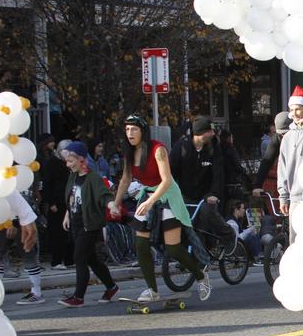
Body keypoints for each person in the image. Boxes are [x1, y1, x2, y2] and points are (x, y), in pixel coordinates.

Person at [113, 114, 212, 302]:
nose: (130, 133)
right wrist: (116, 203)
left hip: (168, 195)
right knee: (140, 244)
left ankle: (200, 276)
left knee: (173, 248)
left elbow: (167, 181)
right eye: (127, 129)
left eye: (134, 129)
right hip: (149, 196)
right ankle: (152, 290)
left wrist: (150, 202)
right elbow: (126, 179)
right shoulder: (129, 152)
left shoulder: (158, 150)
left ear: (143, 131)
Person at [58, 141, 120, 307]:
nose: (67, 164)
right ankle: (111, 286)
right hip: (76, 223)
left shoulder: (93, 178)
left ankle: (78, 297)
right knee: (91, 259)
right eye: (67, 161)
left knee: (79, 258)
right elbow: (71, 197)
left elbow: (104, 196)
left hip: (90, 225)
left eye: (71, 161)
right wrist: (67, 214)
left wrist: (112, 205)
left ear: (81, 160)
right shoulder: (73, 176)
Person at [169, 116, 234, 245]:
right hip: (186, 194)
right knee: (183, 222)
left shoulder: (214, 147)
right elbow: (171, 172)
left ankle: (229, 235)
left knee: (207, 212)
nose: (213, 134)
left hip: (206, 194)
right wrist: (171, 193)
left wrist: (214, 193)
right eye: (210, 131)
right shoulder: (182, 147)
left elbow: (218, 173)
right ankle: (188, 254)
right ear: (201, 133)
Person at [0, 191, 46, 305]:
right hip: (0, 218)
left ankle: (37, 292)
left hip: (20, 219)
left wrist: (13, 223)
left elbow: (21, 199)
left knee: (28, 252)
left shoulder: (13, 178)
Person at [277, 86, 303, 236]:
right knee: (295, 242)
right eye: (291, 110)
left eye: (297, 109)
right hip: (296, 199)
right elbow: (282, 169)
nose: (294, 114)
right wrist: (283, 196)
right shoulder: (288, 137)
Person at [39, 133, 74, 269]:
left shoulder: (70, 164)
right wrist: (51, 202)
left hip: (68, 202)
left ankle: (69, 259)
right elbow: (48, 184)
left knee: (69, 232)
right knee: (57, 233)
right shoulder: (53, 163)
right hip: (57, 203)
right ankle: (56, 260)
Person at [225, 199, 262, 264]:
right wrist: (250, 230)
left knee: (254, 234)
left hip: (237, 246)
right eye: (242, 208)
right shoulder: (232, 222)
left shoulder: (235, 220)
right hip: (234, 249)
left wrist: (250, 230)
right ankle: (257, 258)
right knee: (251, 237)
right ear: (236, 210)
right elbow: (238, 238)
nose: (244, 210)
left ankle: (258, 256)